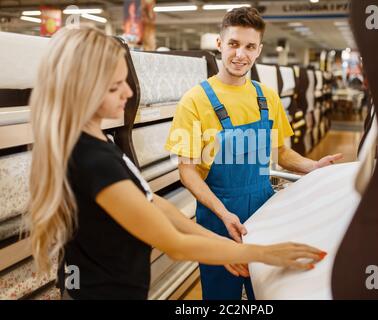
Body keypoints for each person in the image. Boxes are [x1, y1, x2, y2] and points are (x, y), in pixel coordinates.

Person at [26, 27, 325, 300]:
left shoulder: (99, 143)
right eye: (116, 86)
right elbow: (175, 243)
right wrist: (263, 253)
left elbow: (152, 202)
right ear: (83, 88)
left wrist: (233, 248)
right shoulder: (91, 159)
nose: (129, 93)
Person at [165, 7, 342, 300]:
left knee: (268, 291)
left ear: (258, 50)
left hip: (265, 210)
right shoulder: (194, 101)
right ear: (220, 45)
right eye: (233, 44)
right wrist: (224, 214)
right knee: (222, 296)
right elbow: (187, 171)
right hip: (218, 217)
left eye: (249, 46)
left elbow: (281, 152)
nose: (240, 54)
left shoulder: (266, 97)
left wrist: (313, 166)